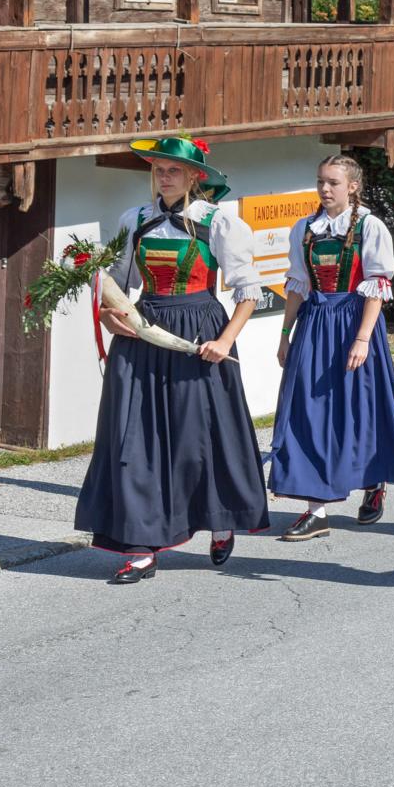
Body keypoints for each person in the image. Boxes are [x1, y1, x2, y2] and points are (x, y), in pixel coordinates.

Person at [73, 135, 270, 583]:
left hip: (199, 332)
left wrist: (225, 341)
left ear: (194, 176)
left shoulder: (219, 222)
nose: (164, 177)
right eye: (159, 170)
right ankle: (141, 547)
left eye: (173, 170)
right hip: (144, 331)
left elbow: (249, 291)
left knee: (199, 435)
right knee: (133, 437)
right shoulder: (135, 219)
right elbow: (116, 284)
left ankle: (220, 518)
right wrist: (108, 316)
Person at [269, 155, 394, 539]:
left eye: (332, 182)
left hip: (355, 322)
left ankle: (374, 480)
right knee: (308, 410)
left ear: (352, 186)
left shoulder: (370, 226)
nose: (324, 188)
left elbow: (377, 287)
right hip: (315, 325)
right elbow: (297, 285)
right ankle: (315, 509)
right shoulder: (305, 228)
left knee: (362, 408)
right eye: (320, 181)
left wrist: (363, 339)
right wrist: (285, 334)